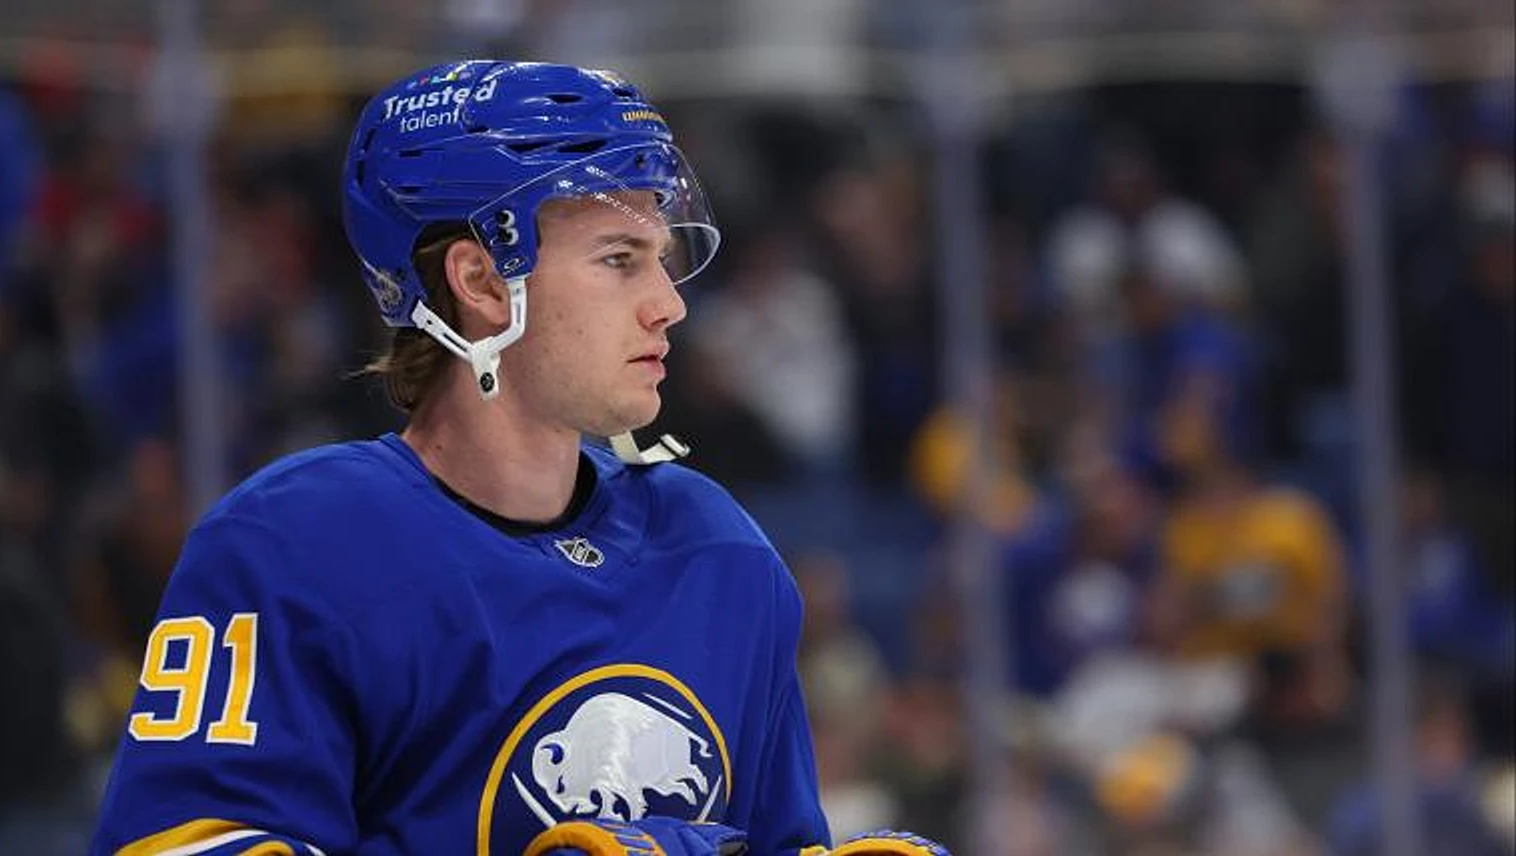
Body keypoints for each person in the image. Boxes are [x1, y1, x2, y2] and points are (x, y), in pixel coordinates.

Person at [90, 60, 948, 856]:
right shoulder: (292, 547)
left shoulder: (719, 552)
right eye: (619, 260)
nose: (668, 304)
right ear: (481, 282)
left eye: (662, 261)